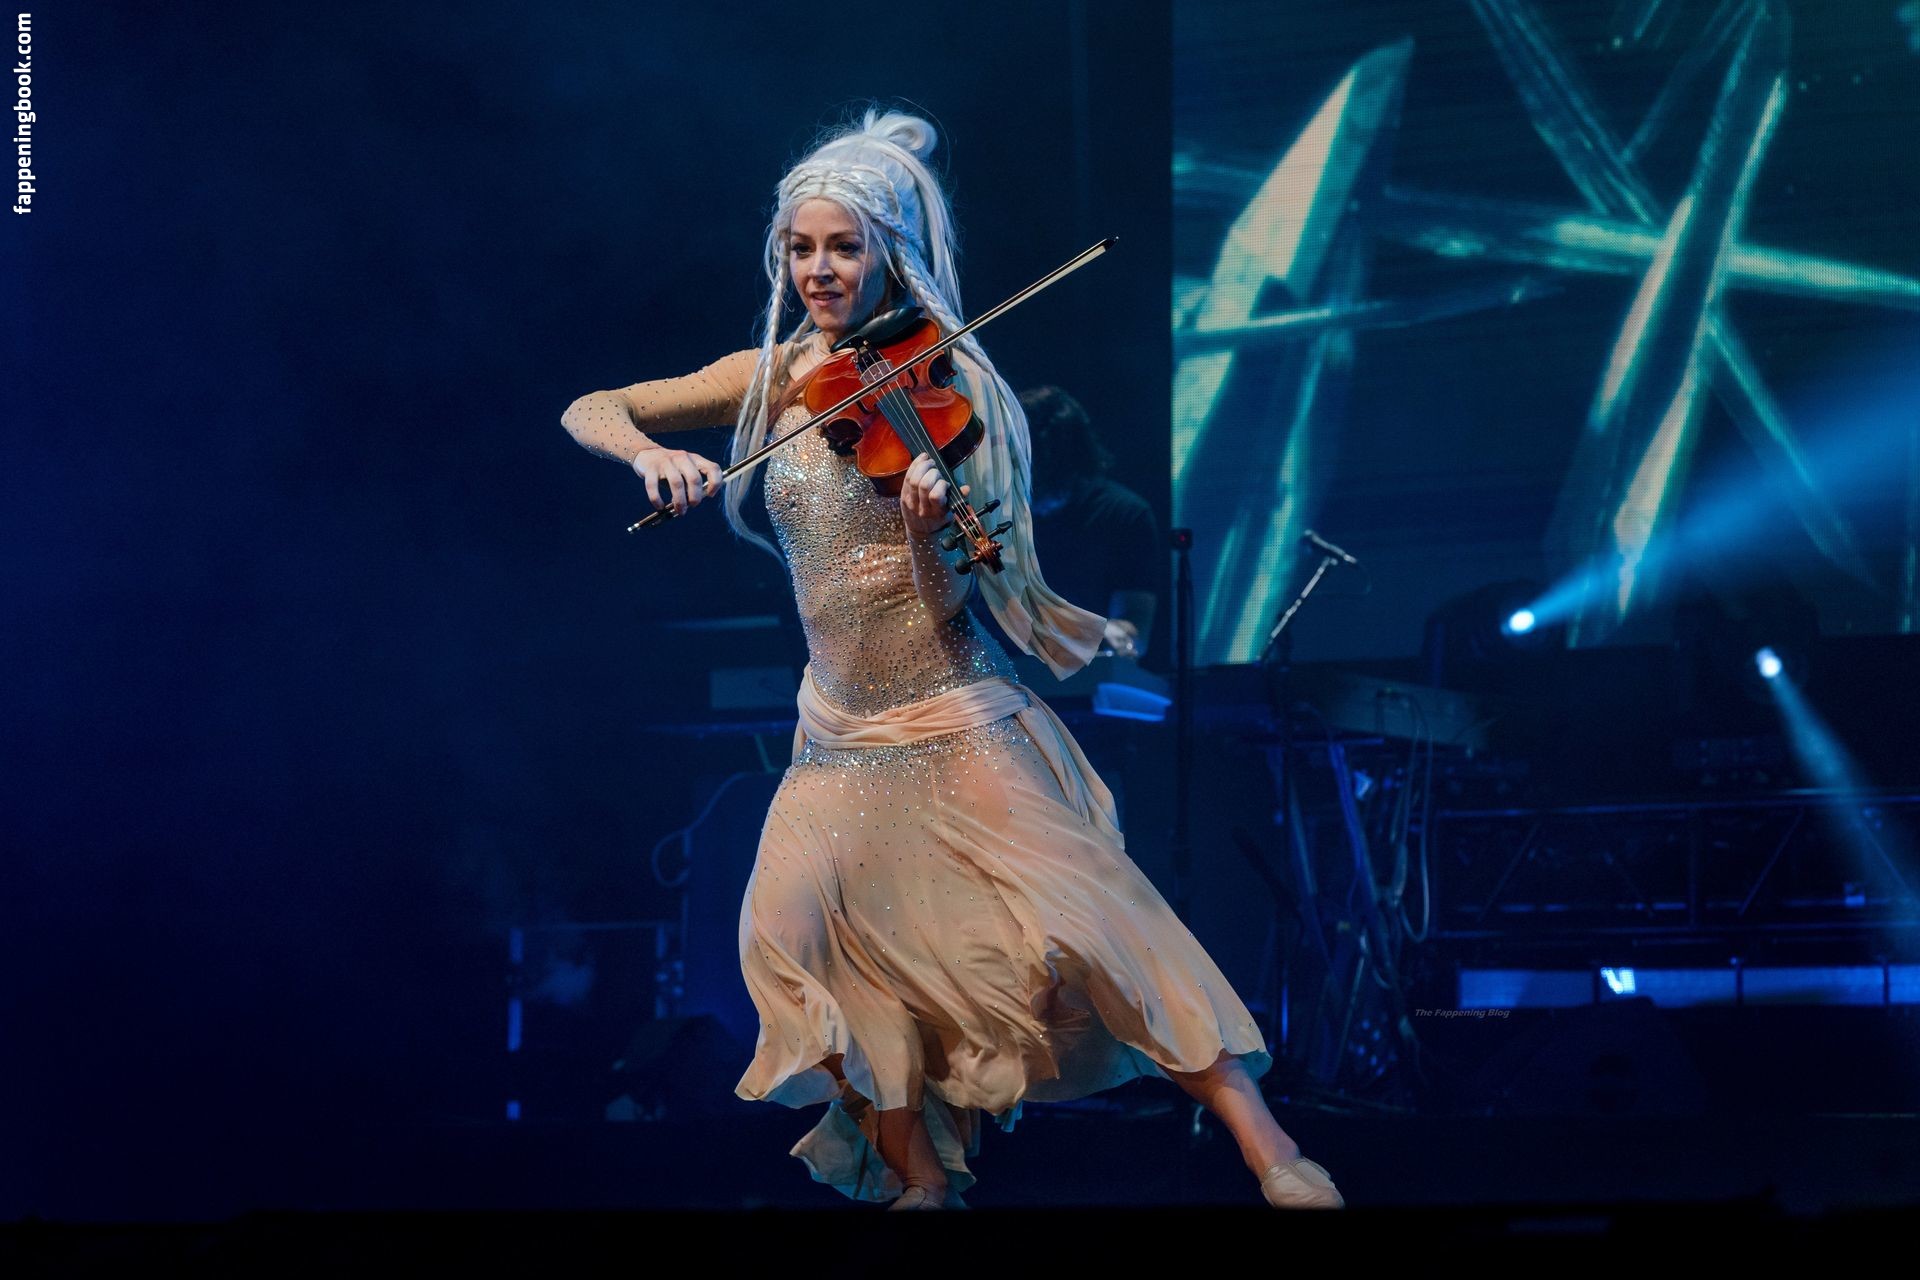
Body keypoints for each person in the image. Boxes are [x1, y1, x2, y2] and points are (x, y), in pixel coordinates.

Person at [558, 108, 1342, 1211]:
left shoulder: (951, 383)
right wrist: (649, 453)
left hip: (953, 709)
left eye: (843, 247)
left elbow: (959, 588)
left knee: (1095, 922)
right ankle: (921, 1181)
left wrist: (933, 531)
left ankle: (1274, 1152)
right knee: (800, 943)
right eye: (801, 248)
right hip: (836, 731)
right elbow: (590, 405)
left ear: (888, 251)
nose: (820, 269)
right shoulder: (773, 377)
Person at [1012, 385, 1160, 660]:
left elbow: (1135, 632)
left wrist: (1108, 633)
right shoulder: (997, 517)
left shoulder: (1124, 515)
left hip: (1085, 668)